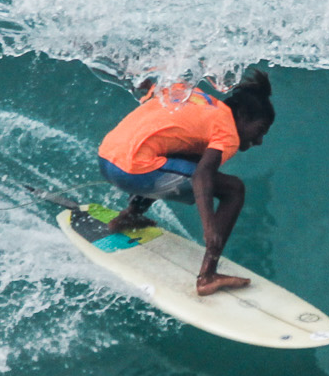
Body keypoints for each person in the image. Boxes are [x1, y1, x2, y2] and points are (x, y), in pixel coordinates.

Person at [96, 67, 275, 296]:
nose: (258, 140)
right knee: (234, 189)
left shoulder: (190, 94)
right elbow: (202, 176)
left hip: (106, 158)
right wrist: (210, 227)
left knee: (176, 154)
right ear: (241, 116)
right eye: (259, 130)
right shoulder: (227, 130)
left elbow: (147, 82)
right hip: (133, 171)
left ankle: (129, 215)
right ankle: (208, 276)